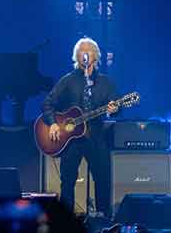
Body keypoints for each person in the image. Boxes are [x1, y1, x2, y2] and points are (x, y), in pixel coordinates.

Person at [42, 37, 122, 218]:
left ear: (96, 56)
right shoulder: (67, 81)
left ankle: (103, 218)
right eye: (80, 51)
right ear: (76, 57)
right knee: (67, 180)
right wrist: (53, 123)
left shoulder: (106, 82)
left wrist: (114, 108)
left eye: (89, 50)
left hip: (96, 136)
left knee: (102, 179)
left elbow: (116, 107)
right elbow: (48, 104)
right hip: (71, 140)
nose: (85, 53)